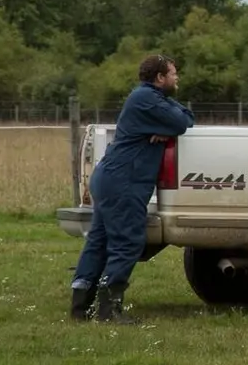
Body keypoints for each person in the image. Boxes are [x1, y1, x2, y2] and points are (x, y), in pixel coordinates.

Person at [69, 54, 195, 323]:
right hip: (124, 181)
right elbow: (183, 122)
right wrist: (170, 125)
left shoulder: (146, 98)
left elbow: (181, 118)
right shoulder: (148, 100)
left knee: (99, 241)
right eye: (173, 73)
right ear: (160, 78)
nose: (177, 77)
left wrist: (169, 124)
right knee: (127, 242)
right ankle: (109, 310)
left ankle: (80, 304)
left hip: (110, 177)